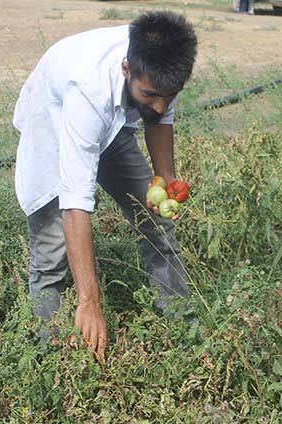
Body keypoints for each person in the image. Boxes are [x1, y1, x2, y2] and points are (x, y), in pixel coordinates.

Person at [12, 11, 198, 362]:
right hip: (52, 122)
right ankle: (51, 363)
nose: (159, 105)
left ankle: (183, 334)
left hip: (110, 125)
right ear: (127, 69)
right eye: (150, 95)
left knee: (157, 224)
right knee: (51, 256)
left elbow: (160, 117)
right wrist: (90, 302)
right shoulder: (88, 93)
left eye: (169, 95)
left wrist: (166, 180)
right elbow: (75, 204)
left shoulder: (163, 65)